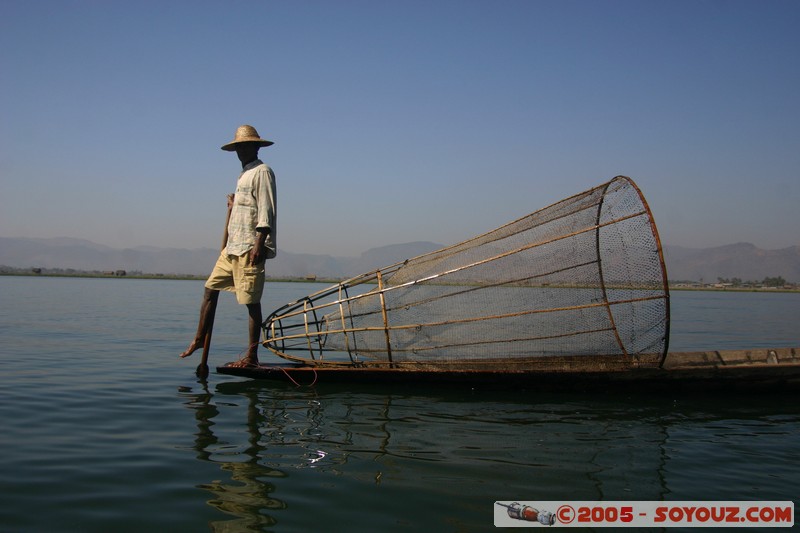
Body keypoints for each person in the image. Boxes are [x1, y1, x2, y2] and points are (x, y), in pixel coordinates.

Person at [180, 124, 277, 369]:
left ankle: (252, 358)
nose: (241, 150)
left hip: (249, 247)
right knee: (210, 290)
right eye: (238, 147)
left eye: (245, 146)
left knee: (251, 302)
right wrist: (234, 207)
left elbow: (266, 210)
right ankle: (200, 338)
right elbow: (249, 207)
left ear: (256, 146)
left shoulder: (262, 171)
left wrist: (259, 243)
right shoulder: (244, 174)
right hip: (232, 246)